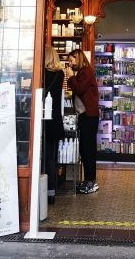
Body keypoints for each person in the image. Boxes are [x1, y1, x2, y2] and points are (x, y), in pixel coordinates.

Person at [65, 49, 99, 194]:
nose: (69, 63)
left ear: (78, 58)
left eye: (72, 60)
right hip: (85, 116)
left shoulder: (86, 71)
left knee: (88, 150)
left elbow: (79, 89)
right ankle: (88, 181)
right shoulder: (82, 72)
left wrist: (71, 77)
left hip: (89, 116)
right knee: (86, 150)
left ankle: (90, 182)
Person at [43, 45, 64, 205]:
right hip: (55, 119)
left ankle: (39, 189)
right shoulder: (60, 74)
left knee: (41, 155)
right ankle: (51, 191)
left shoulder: (41, 73)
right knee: (52, 157)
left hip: (42, 118)